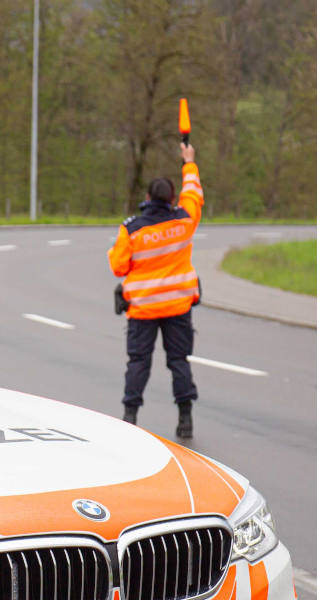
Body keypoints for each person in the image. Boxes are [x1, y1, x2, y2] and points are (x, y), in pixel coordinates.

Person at [108, 142, 203, 438]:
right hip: (177, 308)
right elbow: (194, 194)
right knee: (178, 361)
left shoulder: (132, 229)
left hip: (144, 309)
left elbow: (118, 267)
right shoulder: (185, 221)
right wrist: (188, 161)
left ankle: (130, 416)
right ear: (172, 199)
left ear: (147, 198)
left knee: (139, 362)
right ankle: (185, 418)